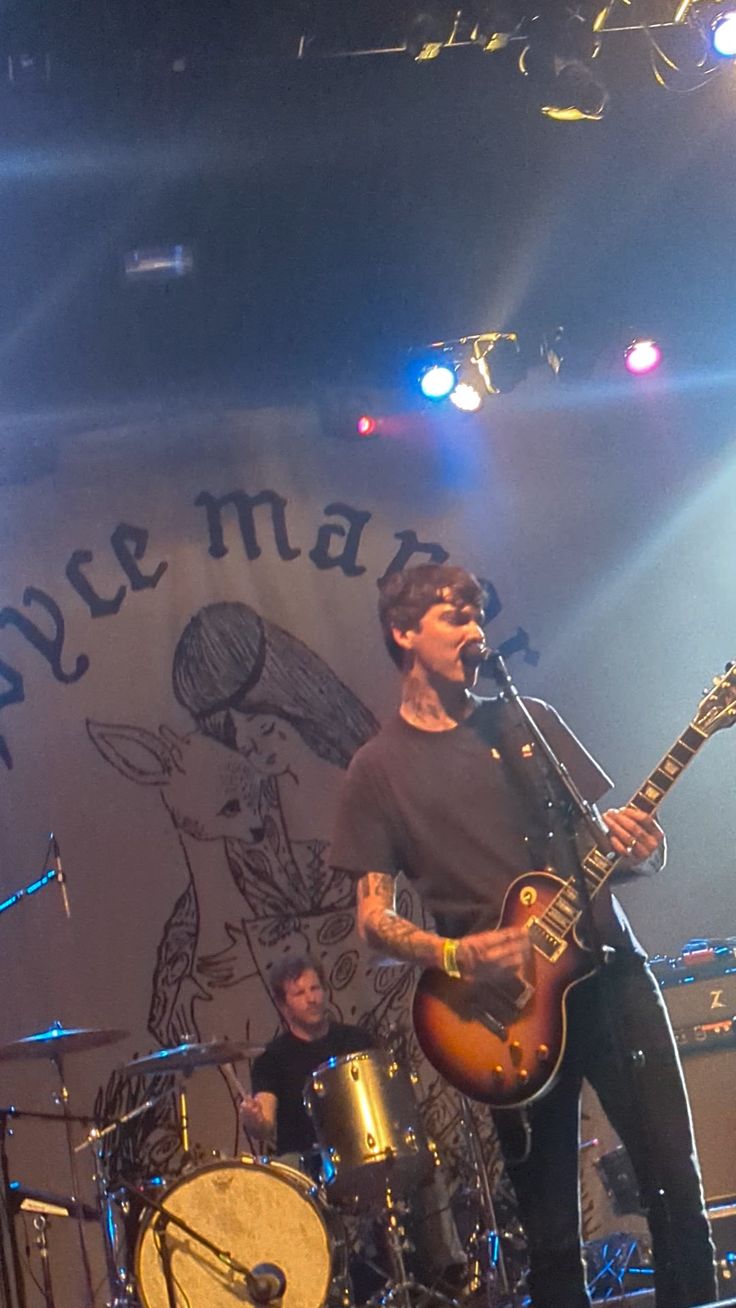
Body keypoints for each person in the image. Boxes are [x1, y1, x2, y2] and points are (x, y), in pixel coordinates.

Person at [330, 563, 717, 1308]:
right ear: (403, 632)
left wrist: (642, 848)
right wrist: (455, 953)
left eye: (479, 615)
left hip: (612, 977)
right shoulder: (374, 772)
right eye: (454, 616)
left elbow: (600, 854)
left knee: (677, 1191)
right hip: (504, 1013)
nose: (476, 630)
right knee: (551, 1236)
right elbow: (372, 920)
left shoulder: (524, 720)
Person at [240, 954, 468, 1297]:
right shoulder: (272, 1060)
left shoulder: (357, 1040)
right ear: (282, 1003)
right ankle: (320, 1289)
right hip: (312, 1166)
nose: (312, 998)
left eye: (316, 988)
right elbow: (265, 1123)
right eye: (300, 993)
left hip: (367, 1151)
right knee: (284, 1172)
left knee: (424, 1154)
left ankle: (446, 1269)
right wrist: (255, 1120)